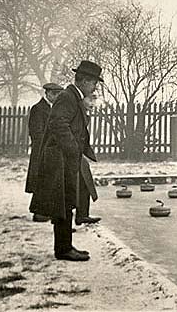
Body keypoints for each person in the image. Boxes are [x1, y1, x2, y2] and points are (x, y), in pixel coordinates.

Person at [29, 60, 103, 262]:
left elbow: (73, 125)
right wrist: (72, 149)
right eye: (94, 82)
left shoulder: (73, 98)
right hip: (60, 158)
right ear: (85, 81)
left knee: (66, 202)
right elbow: (58, 123)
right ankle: (63, 249)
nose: (95, 87)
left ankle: (65, 247)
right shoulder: (68, 98)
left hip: (64, 158)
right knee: (63, 204)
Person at [25, 82, 63, 222]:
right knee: (41, 181)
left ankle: (44, 211)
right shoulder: (38, 109)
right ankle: (39, 213)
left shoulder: (53, 108)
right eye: (54, 94)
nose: (56, 96)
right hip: (41, 150)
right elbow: (36, 132)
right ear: (47, 94)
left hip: (50, 151)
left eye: (58, 94)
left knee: (48, 181)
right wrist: (49, 145)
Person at [75, 93, 101, 225]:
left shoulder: (83, 114)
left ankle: (82, 214)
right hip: (70, 153)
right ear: (82, 99)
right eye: (90, 100)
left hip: (78, 153)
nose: (93, 104)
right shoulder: (76, 112)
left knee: (84, 182)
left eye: (94, 101)